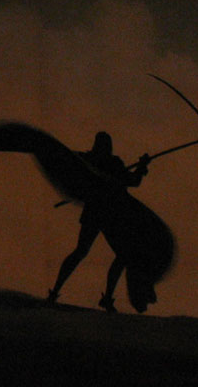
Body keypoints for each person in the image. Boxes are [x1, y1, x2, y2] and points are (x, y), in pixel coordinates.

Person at [47, 131, 151, 311]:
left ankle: (104, 297)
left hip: (107, 214)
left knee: (116, 254)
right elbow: (132, 180)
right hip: (100, 213)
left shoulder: (106, 162)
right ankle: (57, 292)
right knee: (86, 252)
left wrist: (141, 167)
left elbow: (132, 181)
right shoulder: (93, 160)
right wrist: (141, 168)